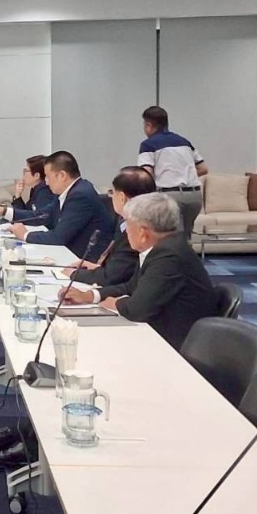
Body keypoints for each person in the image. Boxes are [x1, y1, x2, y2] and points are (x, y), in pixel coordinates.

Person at [62, 192, 217, 351]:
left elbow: (137, 310)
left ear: (143, 233)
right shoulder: (164, 247)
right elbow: (131, 286)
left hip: (175, 344)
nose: (126, 232)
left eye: (128, 224)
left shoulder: (169, 256)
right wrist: (90, 296)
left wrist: (115, 303)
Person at [0, 151, 113, 259]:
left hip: (83, 260)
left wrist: (25, 235)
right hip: (69, 252)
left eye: (48, 176)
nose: (46, 182)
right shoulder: (70, 191)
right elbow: (40, 215)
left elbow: (59, 237)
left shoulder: (80, 195)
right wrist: (3, 211)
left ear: (62, 176)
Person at [63, 166, 155, 287]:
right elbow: (120, 269)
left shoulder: (137, 230)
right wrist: (97, 268)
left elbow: (113, 277)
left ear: (122, 198)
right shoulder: (126, 222)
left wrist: (75, 274)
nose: (111, 197)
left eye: (112, 192)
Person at [138, 106, 207, 240]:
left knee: (172, 238)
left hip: (170, 196)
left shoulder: (148, 145)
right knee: (186, 238)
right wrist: (182, 174)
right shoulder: (184, 142)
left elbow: (146, 174)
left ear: (149, 125)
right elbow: (203, 168)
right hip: (195, 197)